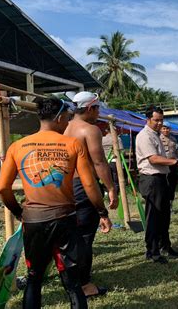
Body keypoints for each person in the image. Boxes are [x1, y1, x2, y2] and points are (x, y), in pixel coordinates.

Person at [0, 97, 108, 309]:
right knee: (73, 282)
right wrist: (102, 212)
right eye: (66, 118)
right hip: (66, 220)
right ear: (58, 118)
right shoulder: (72, 144)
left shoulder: (17, 146)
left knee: (34, 278)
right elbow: (90, 186)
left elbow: (1, 188)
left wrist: (18, 210)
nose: (67, 124)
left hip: (34, 221)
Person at [64, 91, 116, 298]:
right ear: (90, 108)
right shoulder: (89, 129)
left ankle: (70, 278)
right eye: (97, 109)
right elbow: (99, 163)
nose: (98, 113)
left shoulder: (63, 127)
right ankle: (84, 285)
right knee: (85, 236)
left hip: (63, 186)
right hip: (83, 186)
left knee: (69, 235)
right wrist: (111, 188)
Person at [136, 105, 178, 264]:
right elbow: (153, 159)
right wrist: (175, 161)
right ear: (148, 119)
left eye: (161, 120)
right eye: (156, 120)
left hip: (162, 178)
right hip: (151, 179)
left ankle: (165, 246)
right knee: (154, 217)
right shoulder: (144, 136)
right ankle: (152, 251)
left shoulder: (156, 135)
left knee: (164, 216)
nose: (159, 123)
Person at [159, 122, 178, 213]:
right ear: (161, 129)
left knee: (172, 186)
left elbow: (177, 152)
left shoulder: (173, 139)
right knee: (163, 186)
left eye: (167, 128)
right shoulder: (157, 138)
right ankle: (163, 206)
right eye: (164, 128)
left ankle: (170, 206)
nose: (165, 130)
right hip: (162, 166)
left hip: (173, 165)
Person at [101, 127, 125, 194]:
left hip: (105, 161)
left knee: (107, 178)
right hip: (115, 161)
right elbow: (121, 151)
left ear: (106, 130)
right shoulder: (117, 138)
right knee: (115, 180)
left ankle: (107, 193)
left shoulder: (102, 139)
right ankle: (116, 193)